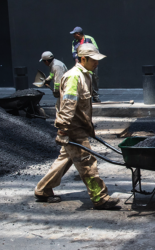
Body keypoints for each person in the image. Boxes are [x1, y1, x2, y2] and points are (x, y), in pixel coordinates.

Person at [35, 43, 120, 210]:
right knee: (87, 162)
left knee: (64, 159)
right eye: (93, 60)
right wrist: (63, 129)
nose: (97, 63)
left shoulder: (85, 75)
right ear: (83, 58)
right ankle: (100, 197)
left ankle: (43, 189)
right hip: (73, 128)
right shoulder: (74, 77)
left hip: (79, 126)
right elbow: (68, 104)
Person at [70, 26, 101, 103]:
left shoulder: (89, 39)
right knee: (83, 78)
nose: (73, 35)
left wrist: (95, 62)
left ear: (78, 34)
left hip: (91, 62)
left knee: (94, 78)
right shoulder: (74, 42)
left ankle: (95, 96)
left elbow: (96, 49)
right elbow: (74, 53)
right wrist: (77, 62)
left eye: (74, 34)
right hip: (82, 63)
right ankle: (86, 96)